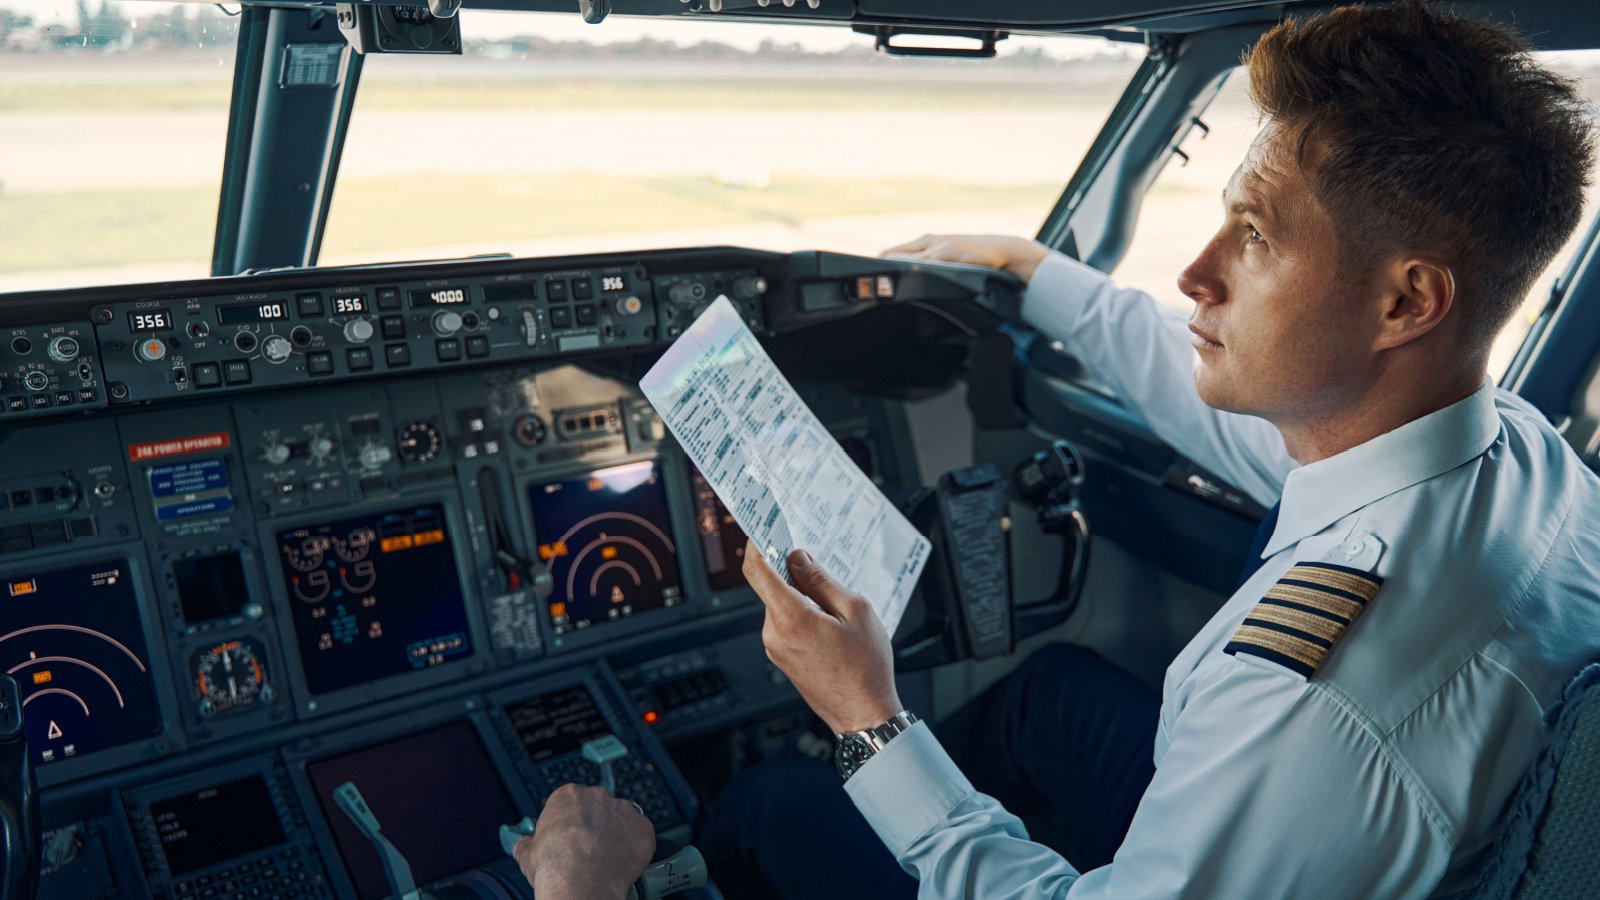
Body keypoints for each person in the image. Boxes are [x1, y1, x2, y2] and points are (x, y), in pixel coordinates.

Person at [513, 1, 1600, 897]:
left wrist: (864, 719)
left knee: (778, 805)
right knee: (1052, 695)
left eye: (1257, 237)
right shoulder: (1505, 449)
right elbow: (1230, 406)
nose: (1195, 273)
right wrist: (1042, 273)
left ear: (1406, 301)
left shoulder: (1317, 707)